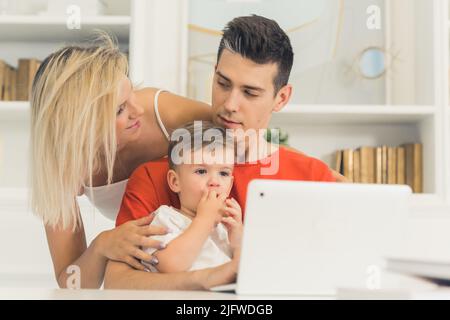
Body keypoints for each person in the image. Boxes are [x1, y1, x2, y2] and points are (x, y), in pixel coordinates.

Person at [105, 15, 338, 289]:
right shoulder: (159, 174)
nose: (230, 104)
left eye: (250, 93)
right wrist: (206, 280)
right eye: (223, 83)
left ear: (282, 98)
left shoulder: (313, 177)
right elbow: (118, 282)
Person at [30, 34, 238, 289]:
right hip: (158, 266)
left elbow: (241, 136)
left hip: (209, 245)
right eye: (120, 109)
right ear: (81, 125)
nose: (137, 110)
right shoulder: (63, 169)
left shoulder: (159, 112)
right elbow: (71, 282)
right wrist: (102, 246)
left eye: (132, 94)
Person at [142, 121, 242, 273]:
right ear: (175, 182)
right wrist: (204, 220)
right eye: (201, 171)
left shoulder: (226, 228)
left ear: (229, 186)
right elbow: (168, 266)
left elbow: (249, 271)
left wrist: (238, 240)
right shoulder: (166, 219)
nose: (214, 182)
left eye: (223, 173)